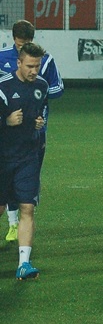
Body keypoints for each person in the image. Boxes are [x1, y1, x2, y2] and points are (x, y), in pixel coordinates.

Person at [0, 20, 63, 243]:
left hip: (34, 133)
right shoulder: (2, 57)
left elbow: (57, 88)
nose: (22, 47)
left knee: (26, 181)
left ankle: (20, 227)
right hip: (5, 136)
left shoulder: (45, 61)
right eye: (19, 44)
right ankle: (13, 223)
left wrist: (34, 96)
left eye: (26, 43)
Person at [0, 42, 48, 279]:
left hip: (28, 156)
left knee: (27, 207)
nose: (34, 71)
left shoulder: (41, 86)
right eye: (29, 66)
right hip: (2, 158)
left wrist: (39, 123)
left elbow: (42, 110)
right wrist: (6, 121)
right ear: (18, 63)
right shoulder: (3, 86)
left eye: (37, 66)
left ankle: (24, 264)